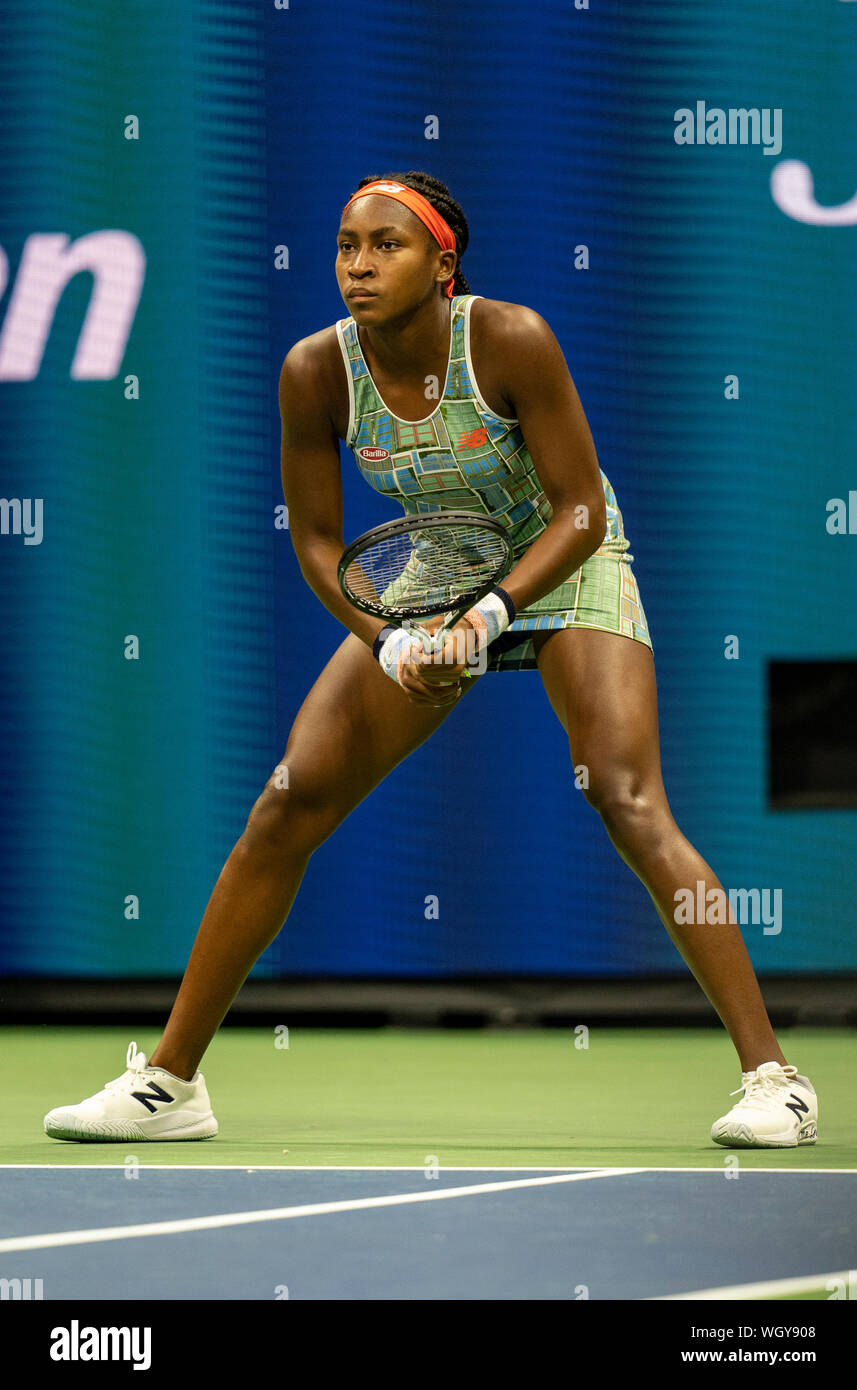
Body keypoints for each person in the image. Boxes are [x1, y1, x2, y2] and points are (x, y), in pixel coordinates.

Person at [44, 171, 817, 1149]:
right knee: (289, 799)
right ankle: (168, 1083)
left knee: (621, 793)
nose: (357, 266)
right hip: (436, 573)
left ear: (441, 263)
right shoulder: (313, 372)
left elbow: (578, 506)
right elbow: (319, 543)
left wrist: (493, 614)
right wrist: (391, 637)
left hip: (560, 557)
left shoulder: (509, 339)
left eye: (384, 245)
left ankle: (774, 1080)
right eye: (343, 246)